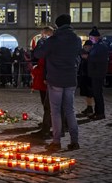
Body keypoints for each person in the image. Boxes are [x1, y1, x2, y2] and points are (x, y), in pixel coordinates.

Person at [34, 14, 82, 151]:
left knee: (55, 111)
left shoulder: (53, 40)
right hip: (71, 78)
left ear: (57, 25)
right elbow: (79, 56)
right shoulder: (76, 39)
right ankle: (74, 140)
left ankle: (56, 141)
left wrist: (42, 41)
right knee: (70, 110)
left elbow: (38, 54)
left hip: (55, 78)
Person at [31, 26, 54, 139]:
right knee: (49, 104)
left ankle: (48, 126)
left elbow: (38, 55)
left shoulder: (47, 43)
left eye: (42, 34)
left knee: (48, 104)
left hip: (47, 78)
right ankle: (49, 124)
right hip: (49, 76)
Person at [87, 27, 109, 120]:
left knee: (98, 94)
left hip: (98, 73)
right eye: (90, 38)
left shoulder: (101, 46)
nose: (91, 39)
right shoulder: (97, 46)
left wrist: (88, 58)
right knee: (96, 94)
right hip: (95, 73)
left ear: (97, 37)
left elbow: (101, 60)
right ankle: (97, 112)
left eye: (92, 38)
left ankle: (100, 113)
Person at [76, 40, 94, 117]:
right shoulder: (82, 53)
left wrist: (88, 58)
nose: (86, 48)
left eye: (88, 47)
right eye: (85, 47)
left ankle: (90, 108)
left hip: (90, 75)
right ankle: (89, 107)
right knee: (86, 93)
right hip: (84, 75)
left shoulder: (92, 54)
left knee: (90, 93)